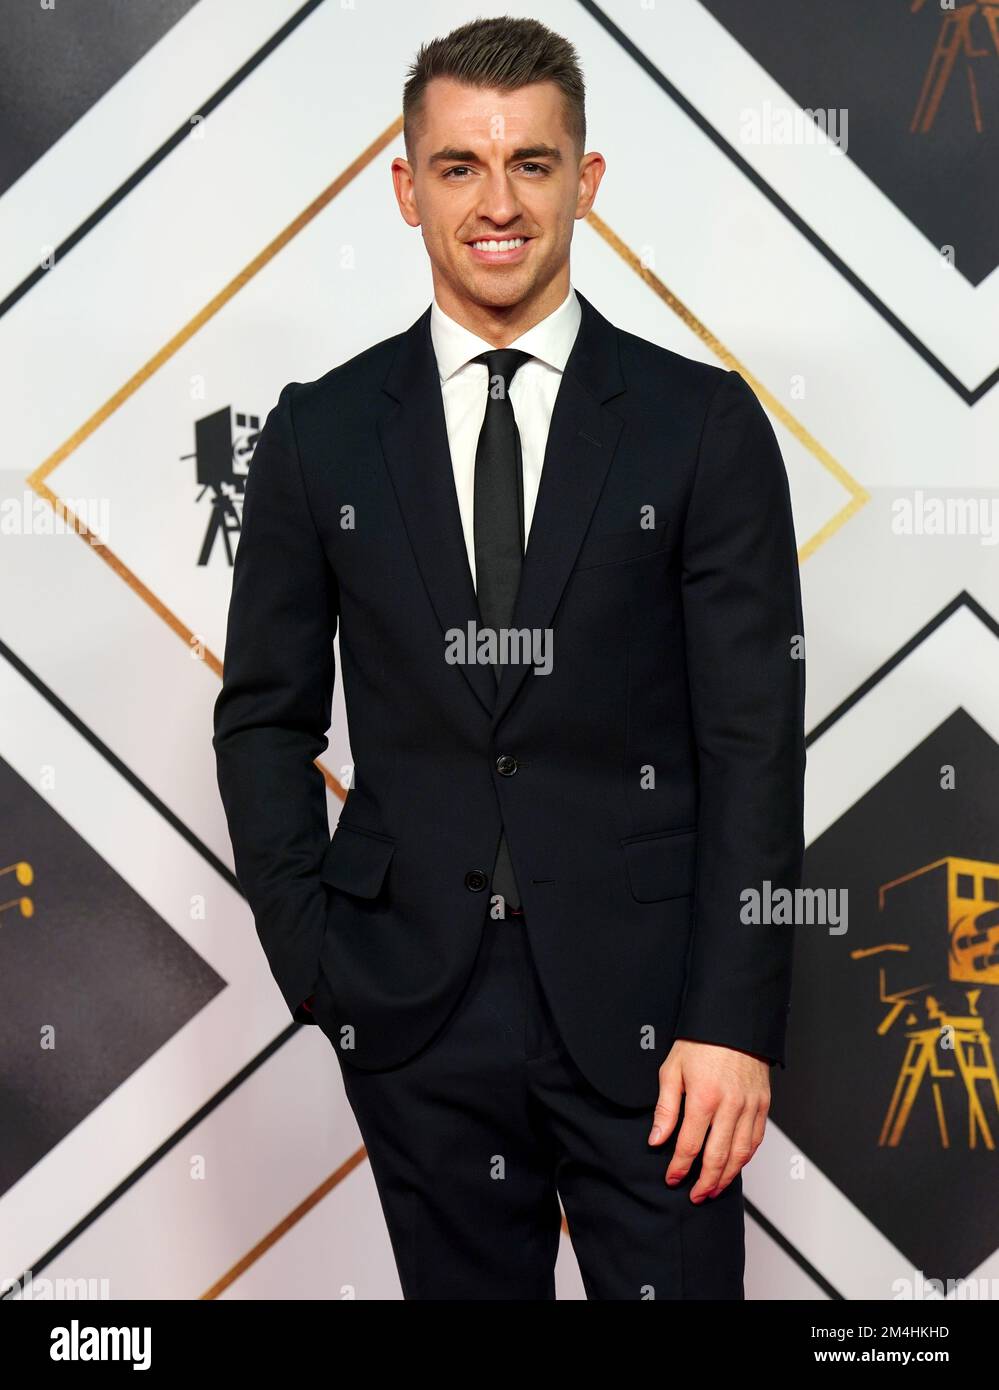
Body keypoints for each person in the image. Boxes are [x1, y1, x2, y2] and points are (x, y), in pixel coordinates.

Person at [212, 15, 806, 1300]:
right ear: (406, 185)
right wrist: (317, 955)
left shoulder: (697, 426)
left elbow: (752, 740)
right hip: (415, 1004)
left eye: (531, 165)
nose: (497, 204)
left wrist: (731, 1021)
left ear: (585, 184)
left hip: (661, 1026)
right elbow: (264, 717)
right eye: (461, 166)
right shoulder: (322, 437)